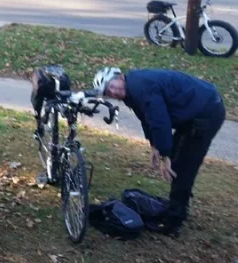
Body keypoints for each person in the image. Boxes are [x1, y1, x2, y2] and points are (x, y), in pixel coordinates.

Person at [93, 67, 226, 237]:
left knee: (185, 165)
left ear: (119, 76)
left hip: (207, 112)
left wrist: (165, 156)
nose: (113, 92)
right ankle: (178, 204)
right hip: (194, 111)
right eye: (108, 92)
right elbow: (146, 117)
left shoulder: (140, 87)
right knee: (178, 160)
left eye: (112, 86)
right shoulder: (132, 88)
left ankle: (174, 219)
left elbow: (159, 120)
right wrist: (154, 145)